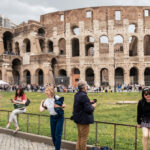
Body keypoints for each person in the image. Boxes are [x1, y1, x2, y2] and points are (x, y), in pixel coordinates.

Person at [72, 80, 96, 150]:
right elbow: (88, 109)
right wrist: (94, 106)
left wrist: (89, 102)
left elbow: (81, 105)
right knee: (84, 139)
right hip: (84, 120)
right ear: (84, 87)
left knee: (79, 137)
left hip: (78, 119)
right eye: (86, 86)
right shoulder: (84, 96)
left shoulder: (77, 95)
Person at [40, 85, 65, 150]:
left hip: (59, 117)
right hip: (52, 118)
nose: (46, 92)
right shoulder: (46, 101)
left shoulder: (56, 97)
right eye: (45, 90)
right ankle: (56, 147)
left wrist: (58, 106)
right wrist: (41, 103)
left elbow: (64, 105)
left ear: (51, 91)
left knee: (58, 135)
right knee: (53, 136)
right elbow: (41, 110)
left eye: (47, 90)